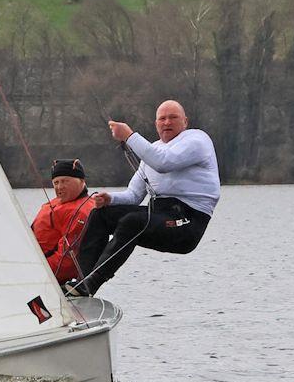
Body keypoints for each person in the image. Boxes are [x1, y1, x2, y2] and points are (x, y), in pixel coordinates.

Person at [68, 100, 220, 296]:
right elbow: (133, 195)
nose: (167, 122)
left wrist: (129, 136)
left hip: (188, 223)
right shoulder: (154, 149)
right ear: (156, 124)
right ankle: (80, 281)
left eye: (173, 117)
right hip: (159, 215)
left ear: (185, 121)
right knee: (101, 214)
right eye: (162, 119)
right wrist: (109, 199)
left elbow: (163, 163)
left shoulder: (197, 140)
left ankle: (92, 283)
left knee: (133, 222)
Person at [32, 159, 96, 284]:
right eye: (56, 182)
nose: (59, 187)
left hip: (44, 275)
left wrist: (34, 272)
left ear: (82, 181)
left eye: (65, 181)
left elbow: (67, 261)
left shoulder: (81, 211)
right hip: (29, 264)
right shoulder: (58, 202)